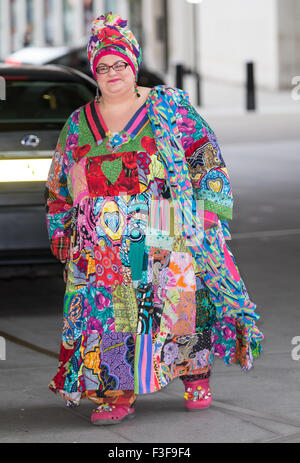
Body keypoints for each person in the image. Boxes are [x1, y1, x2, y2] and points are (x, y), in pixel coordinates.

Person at [45, 12, 263, 425]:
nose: (112, 73)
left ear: (133, 64)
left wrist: (210, 210)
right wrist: (61, 230)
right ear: (94, 70)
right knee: (111, 315)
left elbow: (205, 154)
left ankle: (194, 375)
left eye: (120, 64)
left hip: (164, 224)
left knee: (177, 306)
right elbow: (59, 183)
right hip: (102, 239)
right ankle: (116, 392)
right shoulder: (78, 124)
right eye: (103, 66)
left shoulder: (169, 109)